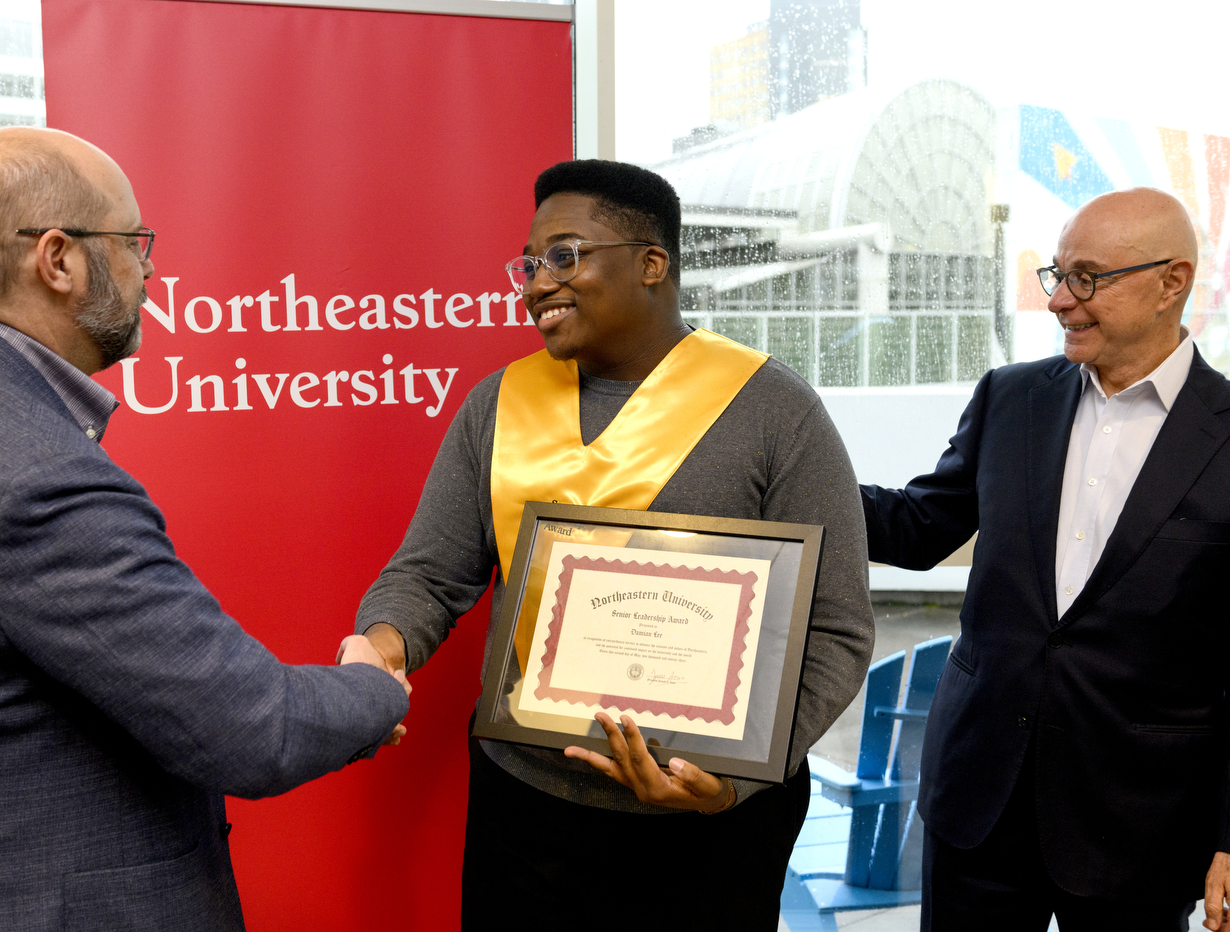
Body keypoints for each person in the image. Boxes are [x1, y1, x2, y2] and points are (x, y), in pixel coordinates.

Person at [0, 127, 410, 932]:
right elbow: (253, 729)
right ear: (59, 260)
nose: (151, 269)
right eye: (134, 241)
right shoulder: (38, 480)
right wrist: (373, 685)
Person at [355, 159, 874, 930]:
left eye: (564, 255)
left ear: (652, 264)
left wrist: (734, 781)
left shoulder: (774, 411)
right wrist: (380, 644)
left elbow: (835, 628)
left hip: (706, 821)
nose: (536, 283)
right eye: (529, 264)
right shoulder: (497, 405)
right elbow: (430, 574)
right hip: (525, 806)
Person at [862, 187, 1230, 932]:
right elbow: (920, 528)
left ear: (1173, 281)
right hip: (977, 799)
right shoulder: (1010, 399)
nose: (1059, 301)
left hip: (1139, 823)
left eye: (1088, 277)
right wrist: (793, 482)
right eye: (1057, 275)